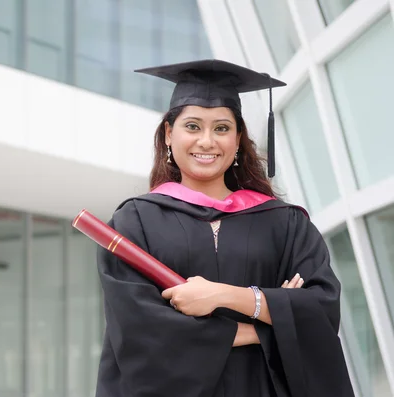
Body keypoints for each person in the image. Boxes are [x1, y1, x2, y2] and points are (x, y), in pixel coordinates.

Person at [94, 59, 355, 397]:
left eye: (221, 128)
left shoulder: (284, 223)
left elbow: (320, 311)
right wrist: (267, 321)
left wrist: (227, 296)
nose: (207, 141)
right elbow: (140, 331)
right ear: (169, 134)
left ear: (238, 139)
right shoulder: (135, 222)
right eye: (192, 126)